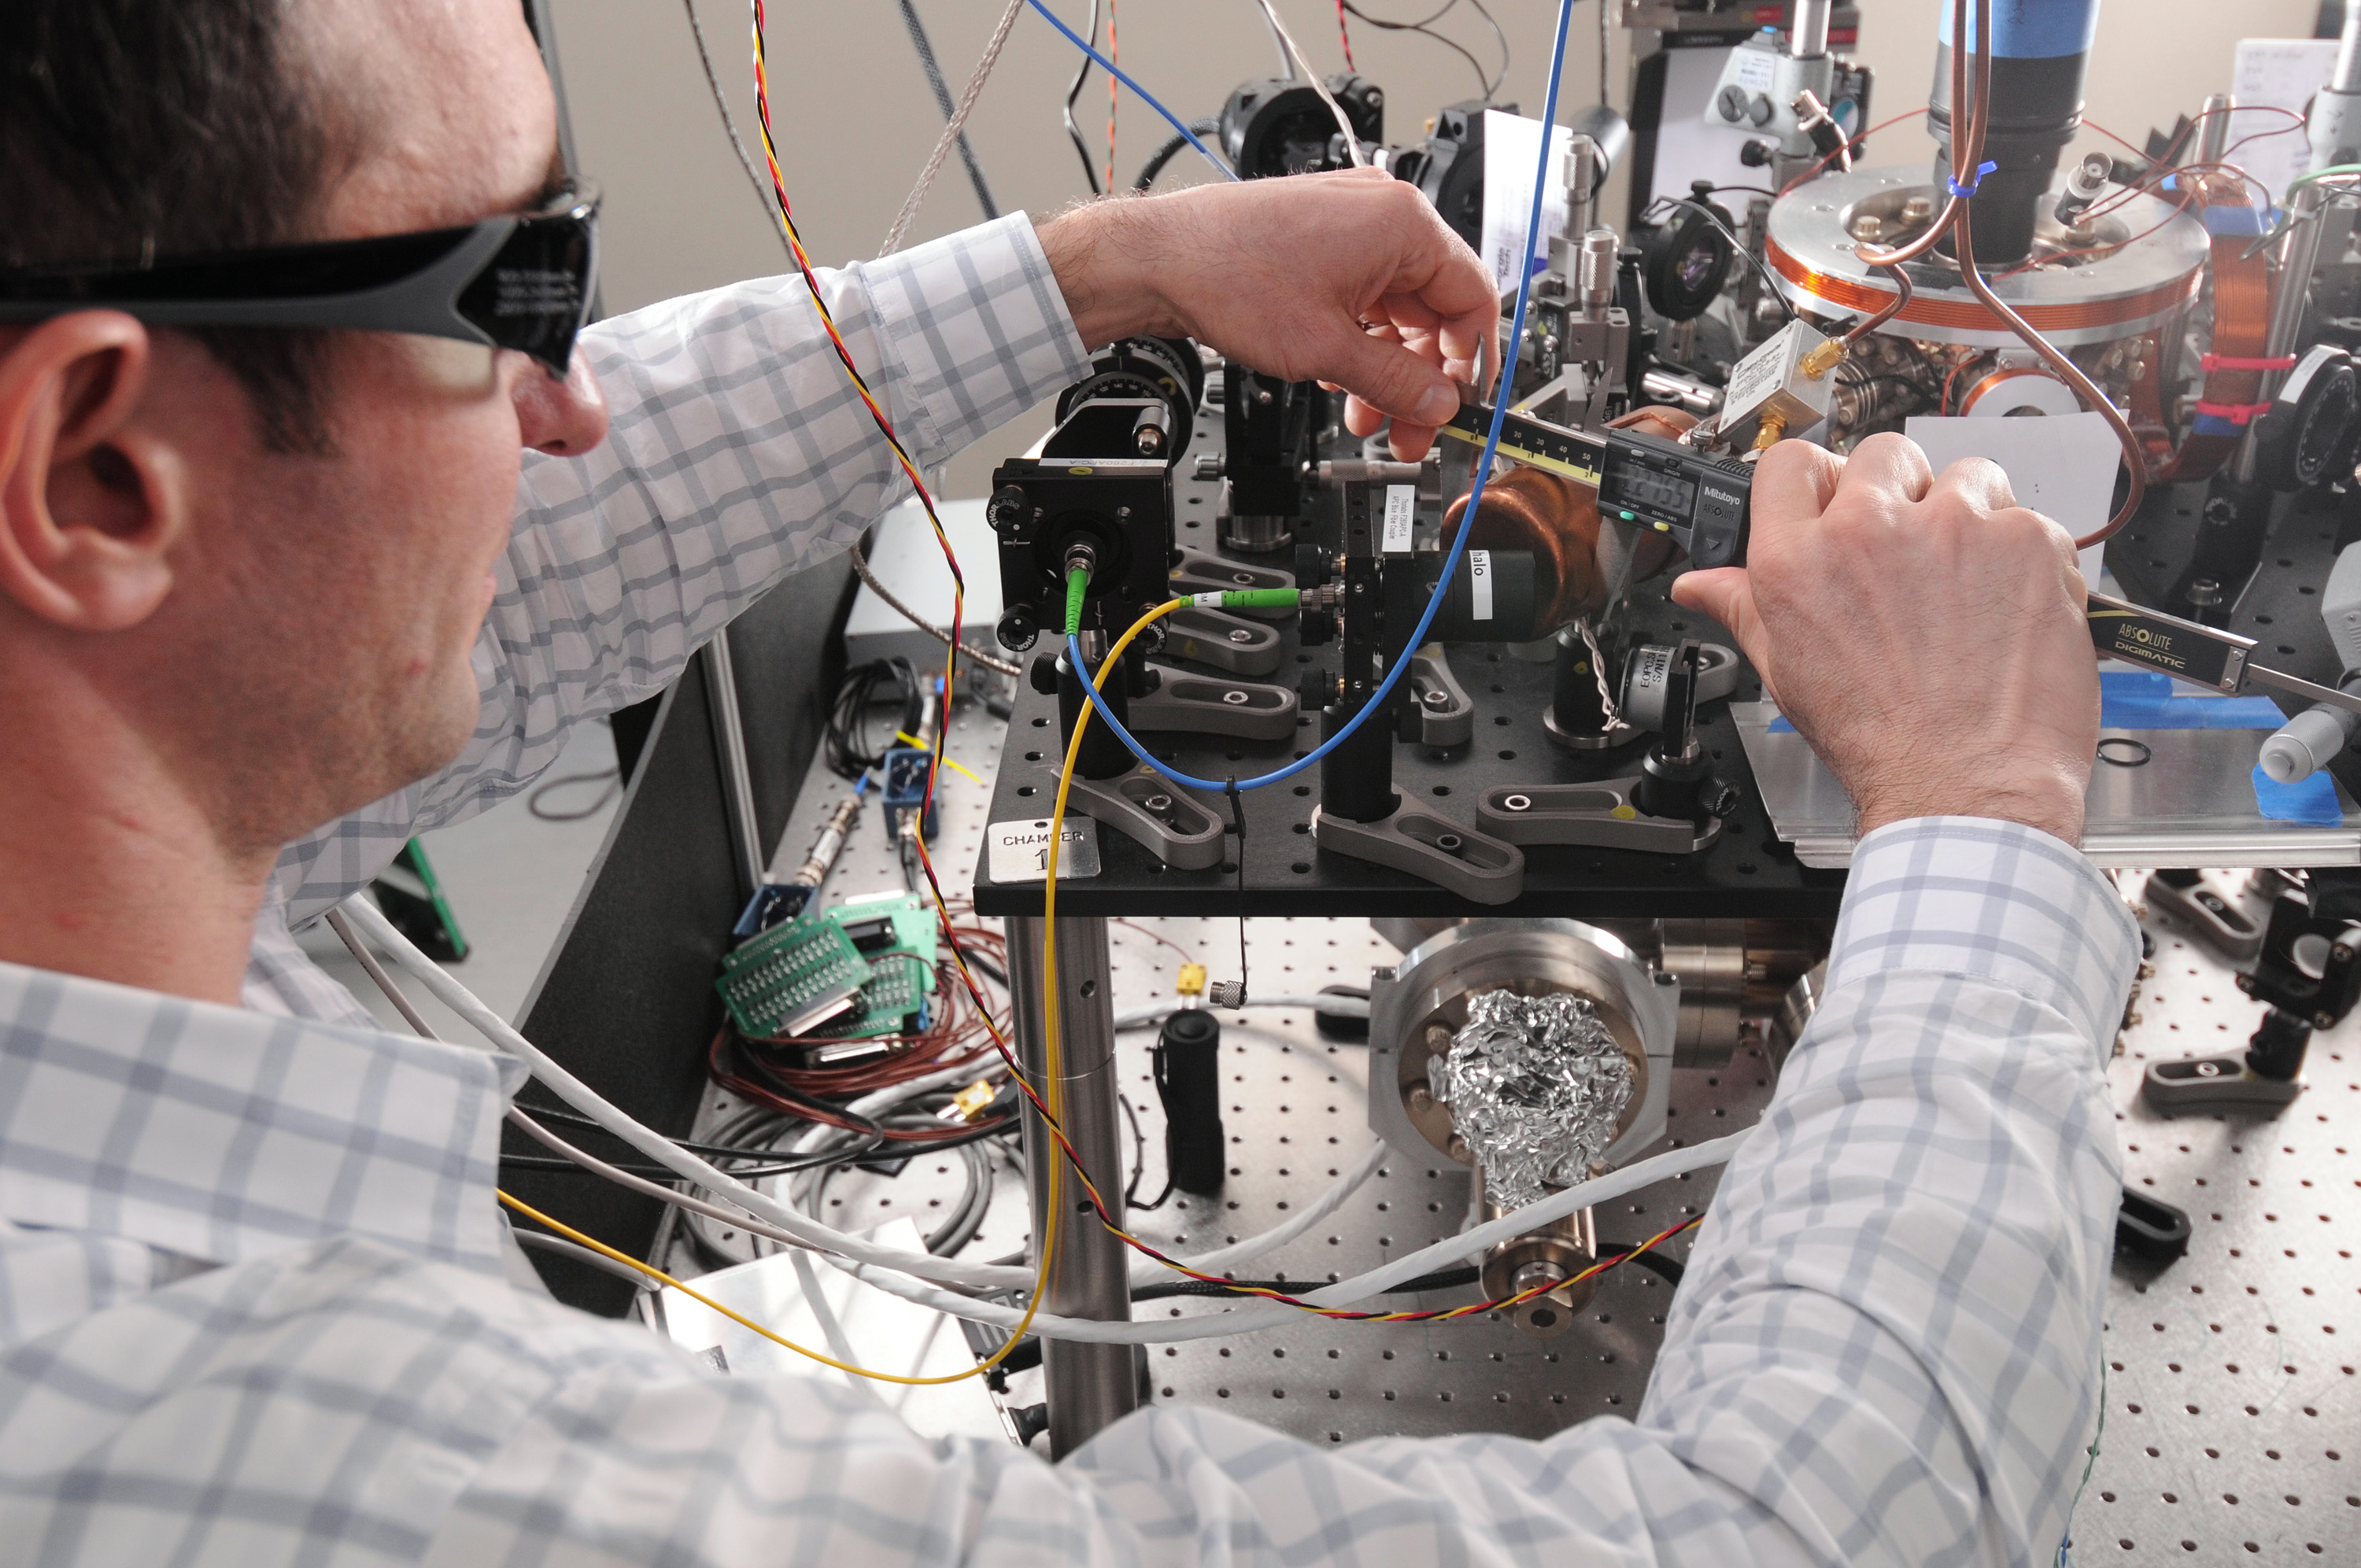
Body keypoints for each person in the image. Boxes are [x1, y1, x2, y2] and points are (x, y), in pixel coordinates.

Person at [0, 2, 2134, 1563]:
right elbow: (1824, 1529)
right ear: (97, 466)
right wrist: (1975, 795)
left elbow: (538, 525)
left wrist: (1110, 267)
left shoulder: (104, 751)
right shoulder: (307, 1460)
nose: (570, 406)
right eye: (506, 297)